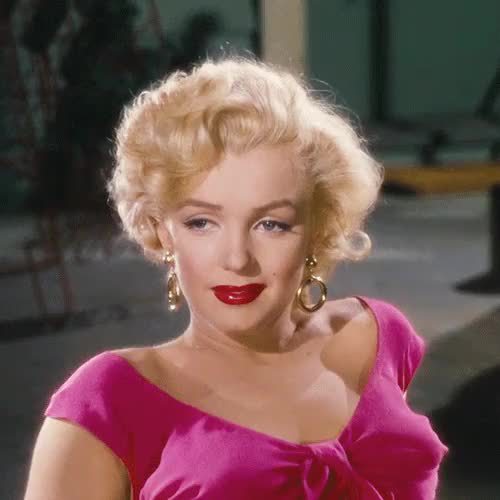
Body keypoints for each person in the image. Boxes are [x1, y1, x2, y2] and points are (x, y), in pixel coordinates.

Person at [24, 57, 449, 499]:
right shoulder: (108, 401)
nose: (237, 259)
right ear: (162, 230)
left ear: (318, 228)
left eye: (272, 224)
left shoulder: (375, 339)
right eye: (201, 223)